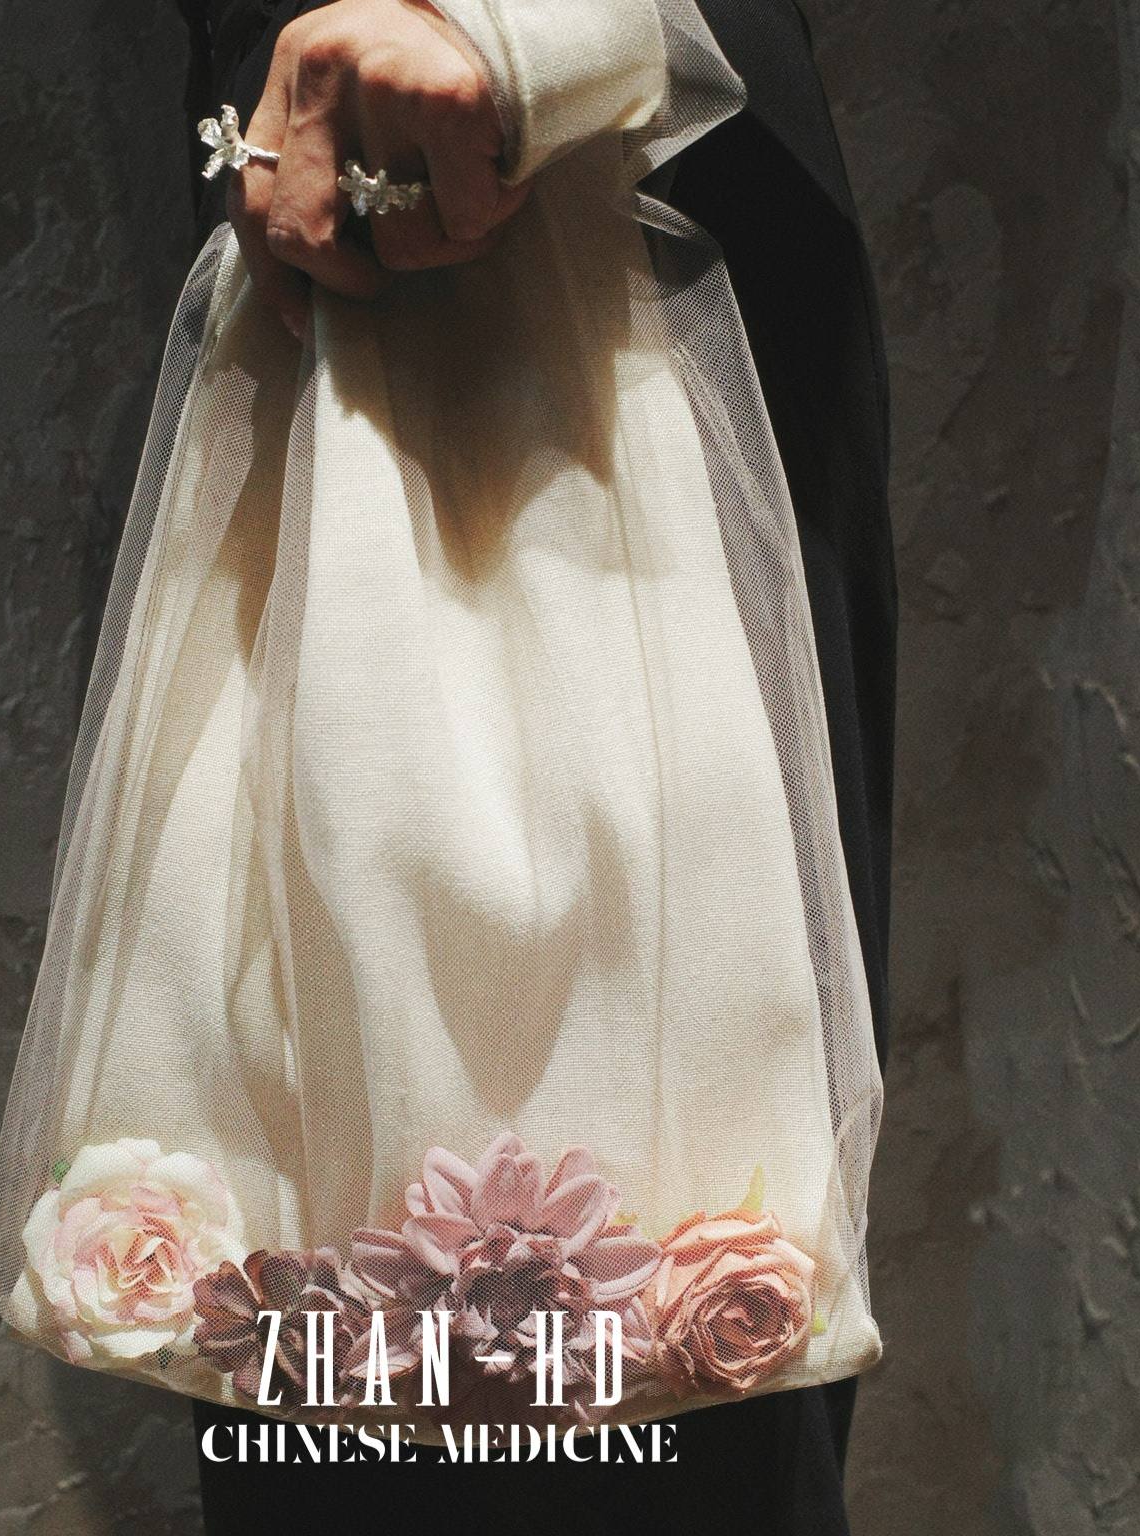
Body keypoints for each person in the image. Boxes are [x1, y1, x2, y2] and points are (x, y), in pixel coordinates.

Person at [172, 2, 896, 1530]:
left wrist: (528, 27)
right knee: (321, 1373)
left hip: (613, 251)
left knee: (660, 1388)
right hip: (315, 236)